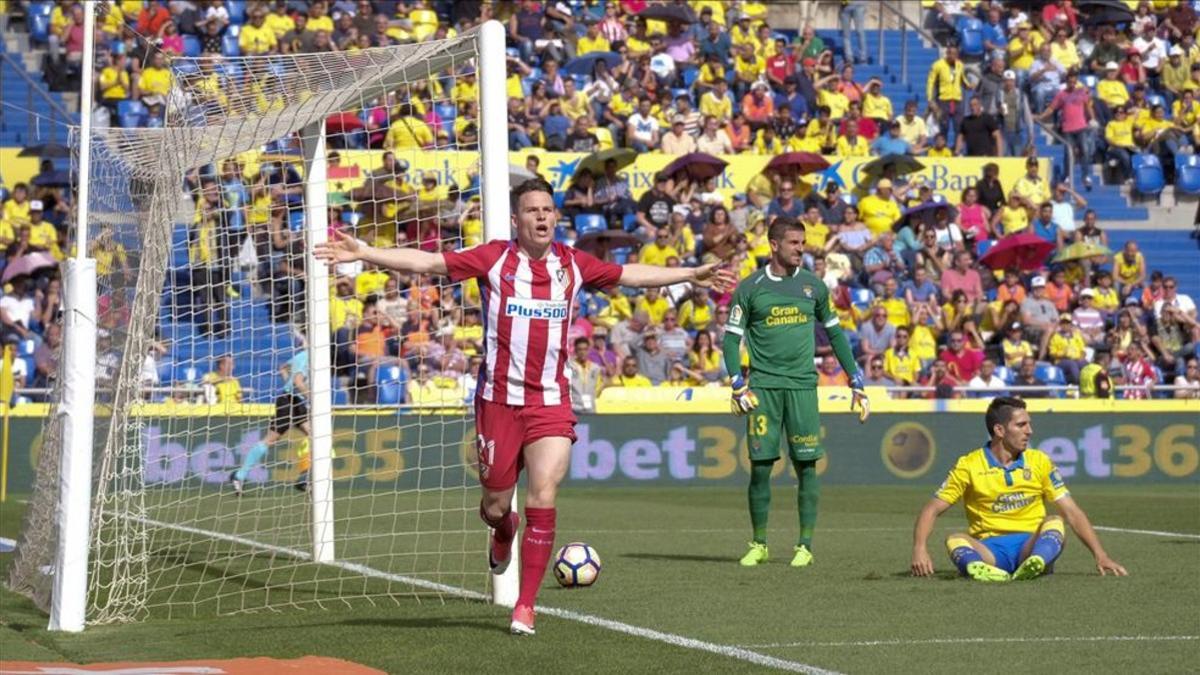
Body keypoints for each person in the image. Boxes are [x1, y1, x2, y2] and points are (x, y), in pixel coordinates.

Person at [314, 178, 733, 635]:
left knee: (544, 494)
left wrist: (691, 273)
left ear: (555, 217)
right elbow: (431, 262)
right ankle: (503, 529)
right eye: (532, 210)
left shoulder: (572, 265)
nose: (541, 217)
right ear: (516, 219)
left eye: (547, 210)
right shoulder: (495, 260)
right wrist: (365, 253)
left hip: (550, 402)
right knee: (495, 503)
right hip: (498, 401)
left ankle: (525, 607)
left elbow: (631, 274)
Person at [722, 216, 869, 569]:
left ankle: (804, 545)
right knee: (760, 468)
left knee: (806, 466)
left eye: (802, 243)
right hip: (763, 389)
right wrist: (737, 383)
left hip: (803, 386)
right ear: (774, 245)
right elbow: (730, 339)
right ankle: (759, 543)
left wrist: (856, 380)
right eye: (794, 243)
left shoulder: (814, 287)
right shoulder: (750, 287)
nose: (801, 249)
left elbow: (835, 335)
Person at [911, 397, 1127, 581]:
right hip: (990, 550)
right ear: (999, 430)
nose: (1029, 431)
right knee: (955, 539)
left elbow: (1072, 512)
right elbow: (932, 509)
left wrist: (1101, 555)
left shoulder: (1040, 461)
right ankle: (984, 569)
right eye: (1021, 425)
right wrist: (919, 549)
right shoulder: (969, 465)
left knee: (1055, 521)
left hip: (1030, 545)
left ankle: (1035, 562)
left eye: (1029, 424)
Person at [230, 338, 311, 495]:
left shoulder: (302, 356)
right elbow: (298, 381)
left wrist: (290, 385)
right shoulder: (307, 357)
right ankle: (239, 475)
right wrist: (312, 396)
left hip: (296, 402)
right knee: (270, 440)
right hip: (288, 402)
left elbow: (283, 368)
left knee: (315, 436)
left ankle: (305, 477)